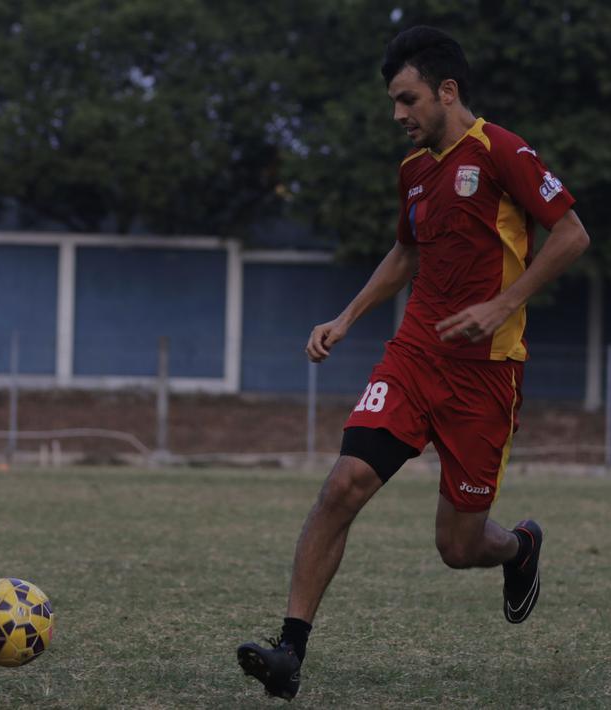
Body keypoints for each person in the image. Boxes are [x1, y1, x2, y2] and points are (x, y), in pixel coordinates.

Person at [237, 26, 590, 700]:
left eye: (407, 99)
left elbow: (572, 234)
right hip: (414, 357)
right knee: (342, 484)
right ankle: (289, 651)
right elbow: (406, 254)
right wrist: (346, 318)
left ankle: (519, 547)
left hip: (486, 376)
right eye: (393, 102)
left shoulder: (502, 151)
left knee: (457, 548)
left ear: (446, 91)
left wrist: (502, 304)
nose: (397, 114)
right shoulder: (414, 171)